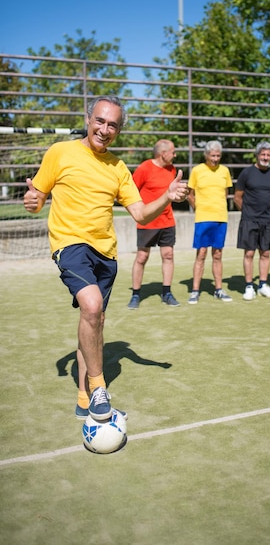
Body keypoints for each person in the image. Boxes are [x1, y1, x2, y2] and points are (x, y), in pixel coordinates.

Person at [23, 95, 188, 422]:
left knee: (94, 320)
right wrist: (33, 200)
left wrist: (166, 197)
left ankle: (84, 397)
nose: (105, 128)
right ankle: (99, 388)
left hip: (106, 253)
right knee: (92, 306)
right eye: (100, 120)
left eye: (112, 124)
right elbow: (38, 196)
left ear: (119, 130)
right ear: (88, 119)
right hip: (70, 244)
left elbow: (140, 214)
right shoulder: (60, 151)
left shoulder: (118, 168)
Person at [127, 139, 180, 309]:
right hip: (148, 223)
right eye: (173, 151)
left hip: (167, 221)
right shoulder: (144, 168)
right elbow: (131, 191)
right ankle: (136, 294)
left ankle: (167, 292)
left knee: (168, 255)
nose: (175, 154)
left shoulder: (172, 170)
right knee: (142, 257)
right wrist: (139, 212)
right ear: (163, 153)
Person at [187, 140, 233, 303]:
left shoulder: (225, 171)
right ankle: (195, 290)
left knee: (218, 254)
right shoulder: (197, 170)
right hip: (203, 219)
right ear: (206, 155)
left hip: (221, 218)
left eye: (218, 156)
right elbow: (190, 194)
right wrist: (198, 207)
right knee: (201, 254)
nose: (215, 159)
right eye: (212, 155)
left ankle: (218, 289)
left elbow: (226, 193)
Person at [233, 141, 270, 300]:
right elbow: (237, 197)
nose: (265, 157)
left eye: (268, 155)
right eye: (263, 154)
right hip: (249, 220)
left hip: (266, 220)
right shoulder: (247, 173)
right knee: (249, 253)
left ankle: (263, 285)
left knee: (265, 253)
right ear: (257, 155)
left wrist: (267, 210)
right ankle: (249, 286)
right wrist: (247, 213)